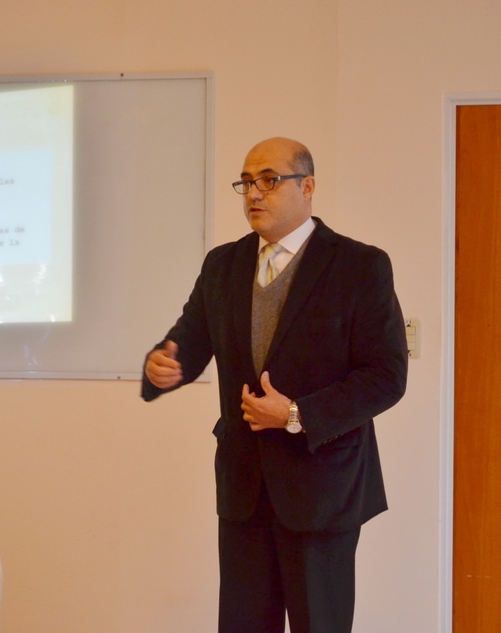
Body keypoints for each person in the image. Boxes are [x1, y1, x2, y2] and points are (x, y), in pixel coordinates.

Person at [142, 137, 408, 633]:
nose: (253, 193)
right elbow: (188, 342)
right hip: (244, 487)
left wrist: (295, 415)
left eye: (269, 180)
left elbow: (386, 377)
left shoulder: (360, 265)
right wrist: (163, 366)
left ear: (307, 187)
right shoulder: (223, 264)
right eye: (246, 182)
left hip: (323, 487)